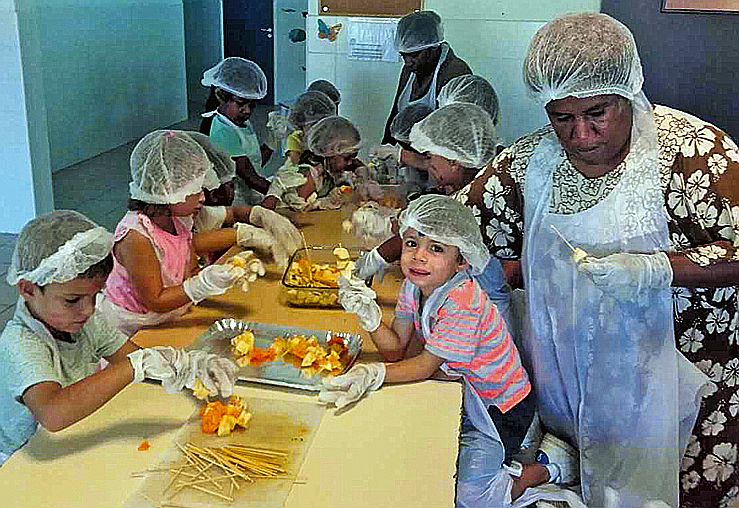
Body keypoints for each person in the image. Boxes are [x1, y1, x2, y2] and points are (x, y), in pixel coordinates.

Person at [455, 13, 738, 507]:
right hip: (575, 395)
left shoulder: (694, 154)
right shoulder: (529, 164)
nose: (581, 136)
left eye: (597, 114)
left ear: (627, 93)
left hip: (688, 387)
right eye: (562, 118)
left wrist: (660, 269)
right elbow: (451, 229)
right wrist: (377, 258)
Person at [320, 195, 559, 506]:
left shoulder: (462, 301)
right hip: (461, 394)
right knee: (418, 461)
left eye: (436, 249)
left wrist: (372, 372)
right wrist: (371, 317)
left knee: (469, 497)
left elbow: (423, 366)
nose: (419, 257)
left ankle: (542, 469)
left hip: (500, 407)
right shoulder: (413, 288)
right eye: (411, 243)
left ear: (461, 260)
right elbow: (396, 351)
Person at [0, 210, 237, 463]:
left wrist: (186, 365)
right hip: (25, 458)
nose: (89, 309)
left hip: (73, 438)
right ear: (27, 289)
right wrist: (136, 366)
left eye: (95, 295)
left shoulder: (84, 321)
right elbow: (53, 413)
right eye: (72, 300)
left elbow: (130, 355)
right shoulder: (20, 343)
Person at [97, 130, 264, 336]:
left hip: (170, 316)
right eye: (196, 190)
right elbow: (156, 300)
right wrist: (202, 284)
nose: (203, 197)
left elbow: (186, 260)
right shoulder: (137, 236)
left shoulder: (178, 217)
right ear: (169, 190)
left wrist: (212, 274)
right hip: (134, 327)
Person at [355, 104, 510, 321]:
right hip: (469, 307)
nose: (427, 165)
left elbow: (421, 231)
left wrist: (372, 261)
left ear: (454, 161)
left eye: (430, 157)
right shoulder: (479, 186)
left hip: (479, 317)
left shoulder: (471, 199)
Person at [188, 132, 302, 267]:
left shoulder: (200, 212)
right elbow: (191, 243)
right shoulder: (181, 219)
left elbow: (233, 213)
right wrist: (244, 234)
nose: (230, 192)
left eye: (231, 184)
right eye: (212, 190)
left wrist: (260, 214)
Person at [382, 11, 471, 157]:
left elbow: (456, 136)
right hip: (411, 157)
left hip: (442, 162)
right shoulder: (409, 69)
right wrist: (384, 150)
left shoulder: (454, 72)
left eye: (414, 55)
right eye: (403, 55)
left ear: (433, 47)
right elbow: (395, 114)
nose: (408, 62)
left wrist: (407, 157)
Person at [200, 57, 274, 205]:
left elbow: (254, 162)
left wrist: (272, 141)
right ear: (221, 96)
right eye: (240, 104)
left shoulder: (241, 122)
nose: (247, 111)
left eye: (252, 105)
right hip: (237, 201)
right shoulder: (223, 130)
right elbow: (248, 175)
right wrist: (277, 192)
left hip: (253, 195)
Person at [267, 116, 364, 211]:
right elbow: (302, 209)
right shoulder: (310, 175)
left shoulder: (326, 172)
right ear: (329, 152)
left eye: (353, 157)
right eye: (347, 158)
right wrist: (325, 203)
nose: (350, 163)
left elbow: (355, 165)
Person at [284, 90, 337, 166]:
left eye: (321, 126)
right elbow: (294, 167)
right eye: (312, 125)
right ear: (300, 124)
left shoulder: (331, 139)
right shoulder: (296, 139)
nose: (316, 130)